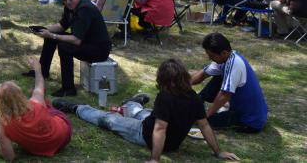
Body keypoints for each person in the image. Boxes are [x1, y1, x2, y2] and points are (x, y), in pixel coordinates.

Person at [54, 58, 237, 162]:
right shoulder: (193, 96)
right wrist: (218, 152)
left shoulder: (166, 96)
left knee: (108, 119)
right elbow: (204, 125)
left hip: (145, 134)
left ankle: (76, 108)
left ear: (166, 80)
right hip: (160, 127)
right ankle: (133, 103)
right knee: (142, 113)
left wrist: (155, 159)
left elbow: (160, 129)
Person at [29, 0, 111, 97]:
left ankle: (68, 89)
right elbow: (62, 26)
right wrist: (44, 30)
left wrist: (51, 35)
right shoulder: (70, 6)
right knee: (52, 36)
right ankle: (42, 72)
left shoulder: (85, 9)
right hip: (86, 42)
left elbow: (76, 40)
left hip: (98, 49)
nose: (67, 2)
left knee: (64, 47)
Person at [0, 59, 73, 160]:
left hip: (38, 150)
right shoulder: (35, 103)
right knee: (46, 105)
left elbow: (9, 157)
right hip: (63, 137)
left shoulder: (2, 122)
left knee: (45, 105)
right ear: (20, 94)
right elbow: (39, 85)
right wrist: (37, 69)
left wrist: (1, 138)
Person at [190, 33, 268, 132]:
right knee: (218, 76)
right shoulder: (227, 57)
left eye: (212, 56)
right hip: (248, 112)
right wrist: (183, 85)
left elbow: (224, 95)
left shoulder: (235, 65)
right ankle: (197, 103)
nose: (210, 58)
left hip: (250, 120)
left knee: (200, 120)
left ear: (223, 53)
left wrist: (206, 115)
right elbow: (203, 74)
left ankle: (200, 112)